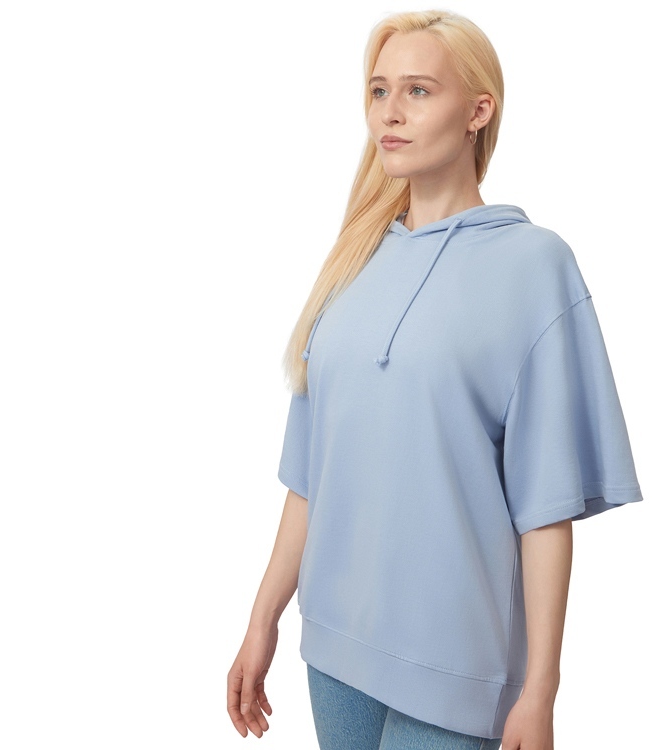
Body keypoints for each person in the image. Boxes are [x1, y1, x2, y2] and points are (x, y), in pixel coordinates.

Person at [227, 9, 643, 750]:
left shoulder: (534, 266)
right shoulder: (354, 261)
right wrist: (263, 621)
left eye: (418, 90)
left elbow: (545, 506)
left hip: (457, 664)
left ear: (478, 111)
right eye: (378, 90)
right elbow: (310, 479)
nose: (389, 112)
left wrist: (541, 691)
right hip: (334, 648)